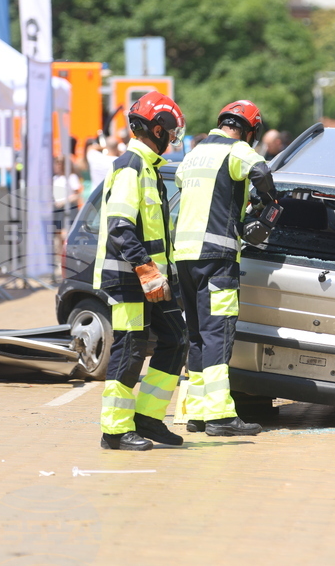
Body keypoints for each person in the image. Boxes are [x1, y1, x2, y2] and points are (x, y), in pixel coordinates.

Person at [174, 100, 281, 437]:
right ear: (250, 130)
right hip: (217, 258)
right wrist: (269, 201)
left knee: (197, 337)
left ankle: (197, 413)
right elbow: (262, 172)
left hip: (185, 257)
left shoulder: (193, 155)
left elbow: (185, 185)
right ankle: (220, 418)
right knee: (218, 335)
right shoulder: (236, 150)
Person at [93, 92, 188, 451]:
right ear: (158, 129)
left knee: (176, 339)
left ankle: (147, 419)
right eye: (171, 131)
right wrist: (147, 270)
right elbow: (120, 226)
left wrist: (158, 274)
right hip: (130, 277)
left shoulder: (148, 169)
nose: (173, 138)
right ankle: (114, 431)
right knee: (130, 349)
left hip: (151, 278)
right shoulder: (131, 166)